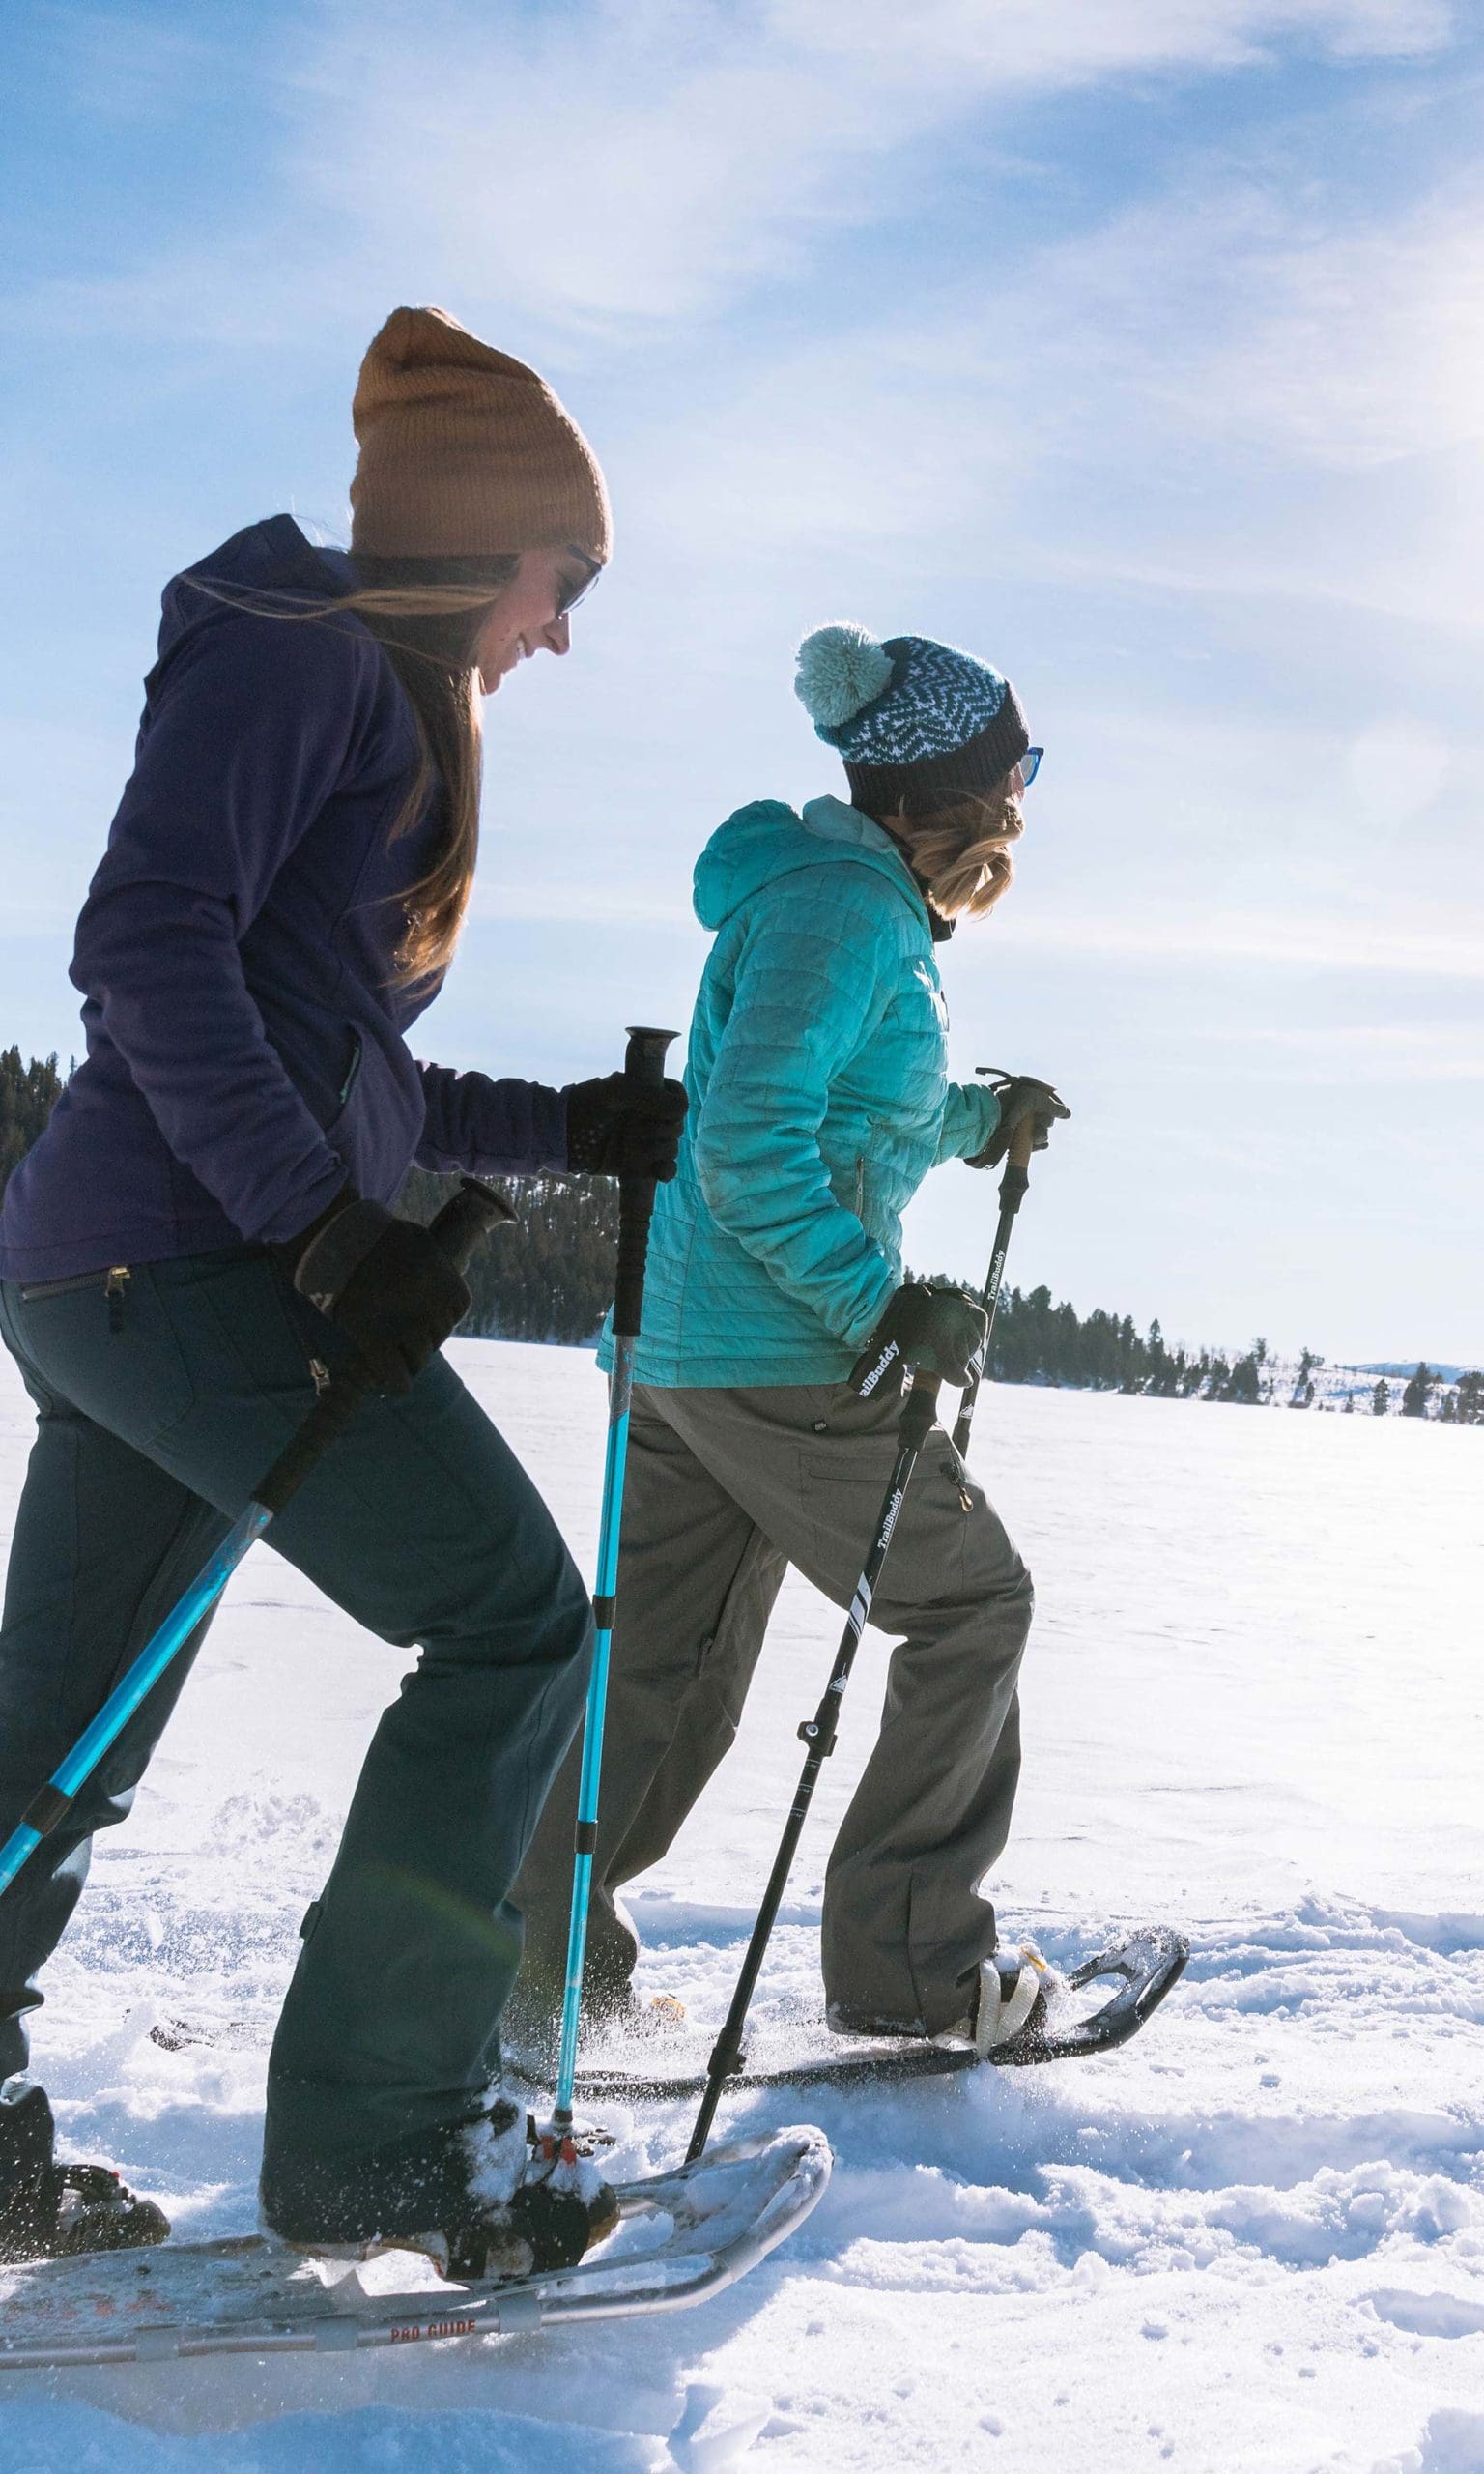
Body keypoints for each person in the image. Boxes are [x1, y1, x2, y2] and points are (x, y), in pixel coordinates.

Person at [0, 306, 686, 2272]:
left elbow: (343, 1055)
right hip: (201, 1261)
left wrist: (566, 1120)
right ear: (489, 535)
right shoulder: (306, 665)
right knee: (515, 1623)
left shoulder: (364, 692)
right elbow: (147, 939)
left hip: (118, 1264)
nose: (565, 629)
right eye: (572, 577)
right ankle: (383, 2137)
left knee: (67, 1716)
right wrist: (317, 1225)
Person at [509, 621, 1067, 2064]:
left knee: (670, 1676)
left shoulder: (837, 897)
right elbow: (748, 1143)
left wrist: (971, 1118)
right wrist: (875, 1304)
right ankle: (911, 1970)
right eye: (1019, 769)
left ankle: (533, 1965)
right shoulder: (843, 911)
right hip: (781, 1355)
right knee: (970, 1605)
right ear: (945, 786)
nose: (1027, 798)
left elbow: (843, 1107)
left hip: (691, 1355)